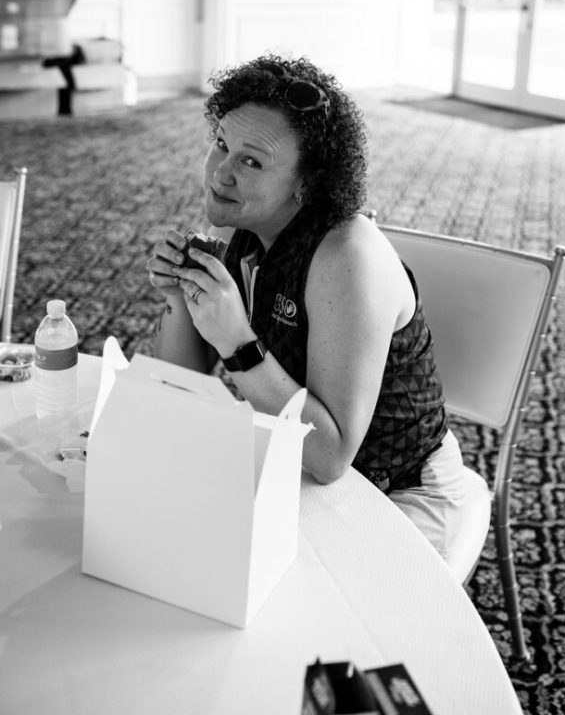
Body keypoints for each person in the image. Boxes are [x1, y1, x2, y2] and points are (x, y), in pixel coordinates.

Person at [146, 53, 466, 561]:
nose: (220, 174)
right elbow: (177, 385)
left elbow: (331, 455)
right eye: (221, 145)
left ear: (306, 185)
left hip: (400, 491)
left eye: (251, 162)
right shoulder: (243, 229)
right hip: (290, 463)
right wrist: (180, 299)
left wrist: (236, 343)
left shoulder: (347, 257)